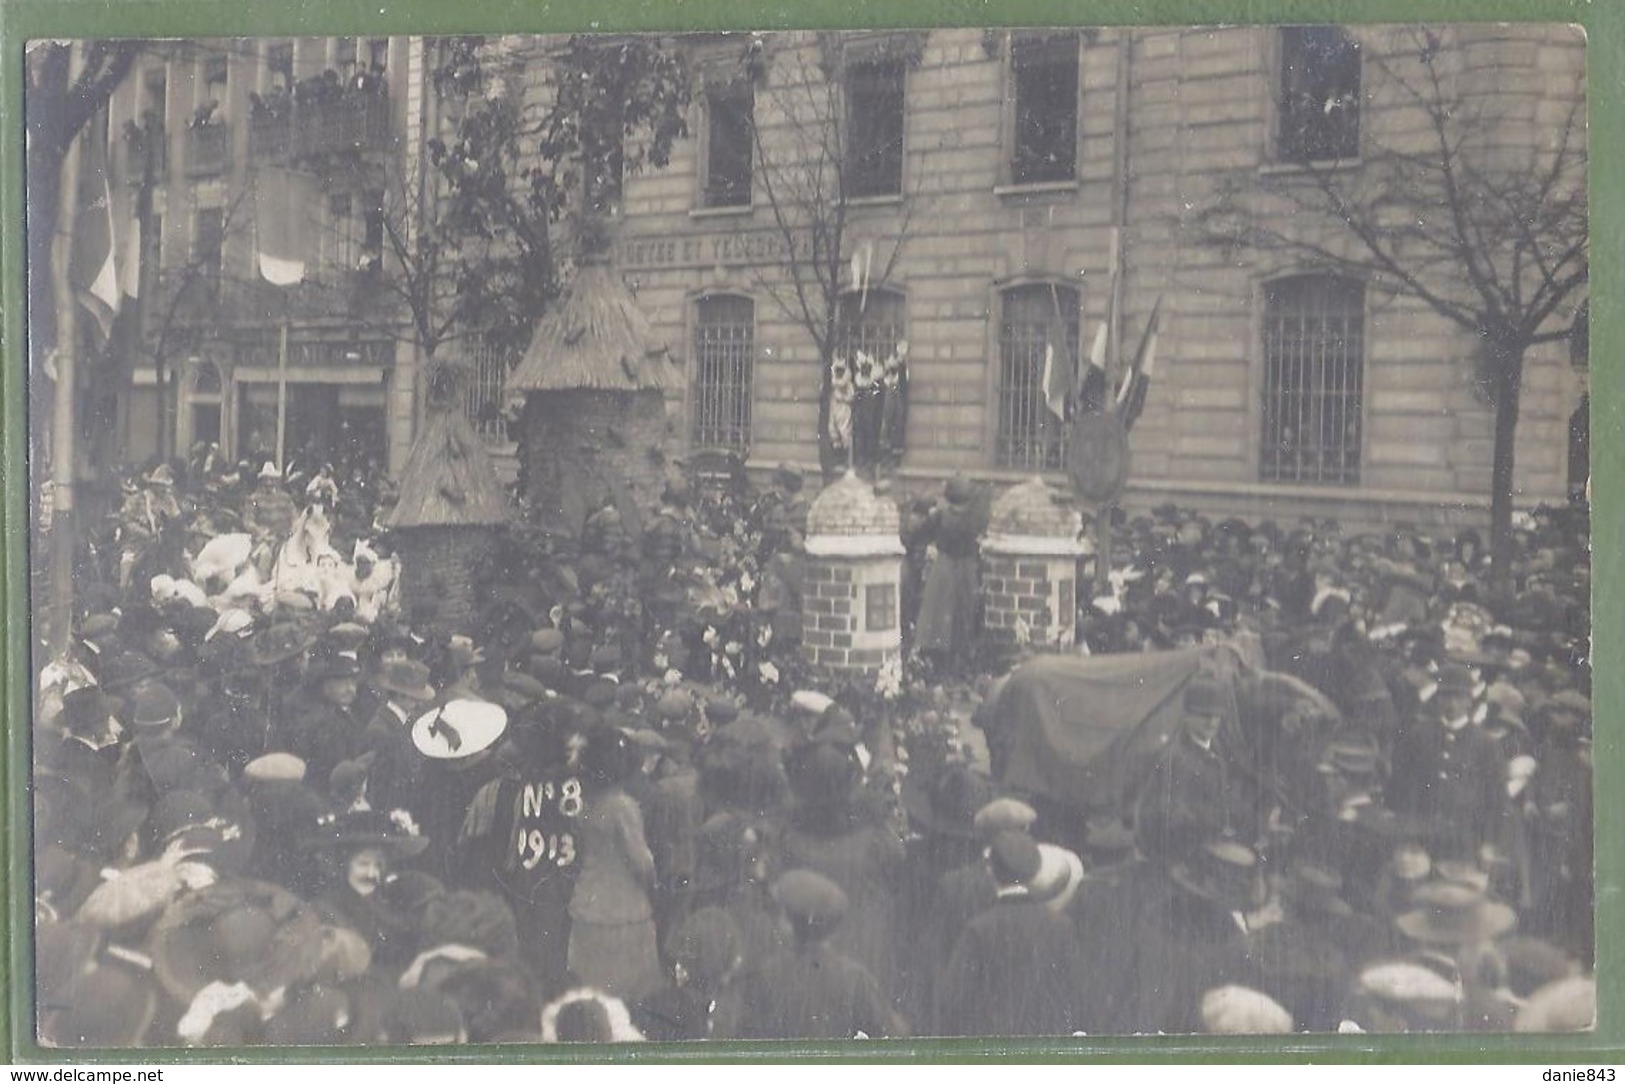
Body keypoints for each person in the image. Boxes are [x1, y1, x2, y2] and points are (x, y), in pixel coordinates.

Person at [933, 831, 1087, 1037]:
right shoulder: (1061, 926)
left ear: (991, 871)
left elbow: (952, 998)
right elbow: (1076, 991)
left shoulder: (979, 929)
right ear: (1036, 868)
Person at [721, 870, 906, 1040]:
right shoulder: (856, 978)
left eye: (780, 914)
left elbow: (746, 1037)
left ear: (789, 925)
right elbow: (888, 1034)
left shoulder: (768, 975)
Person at [566, 727, 662, 1004]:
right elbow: (641, 861)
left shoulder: (583, 803)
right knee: (630, 994)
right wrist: (653, 887)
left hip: (587, 902)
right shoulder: (623, 806)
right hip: (624, 907)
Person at [1386, 664, 1511, 863]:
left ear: (1469, 701)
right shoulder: (1419, 735)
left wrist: (1489, 842)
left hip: (1464, 837)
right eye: (1445, 696)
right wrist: (1402, 826)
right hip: (1419, 834)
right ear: (1437, 699)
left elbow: (1496, 796)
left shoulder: (1486, 744)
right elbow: (1400, 783)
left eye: (1459, 697)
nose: (1451, 703)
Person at [913, 475, 986, 666]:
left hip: (944, 567)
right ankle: (962, 654)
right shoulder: (974, 518)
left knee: (939, 612)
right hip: (967, 568)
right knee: (964, 611)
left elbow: (920, 533)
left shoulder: (940, 516)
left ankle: (937, 655)